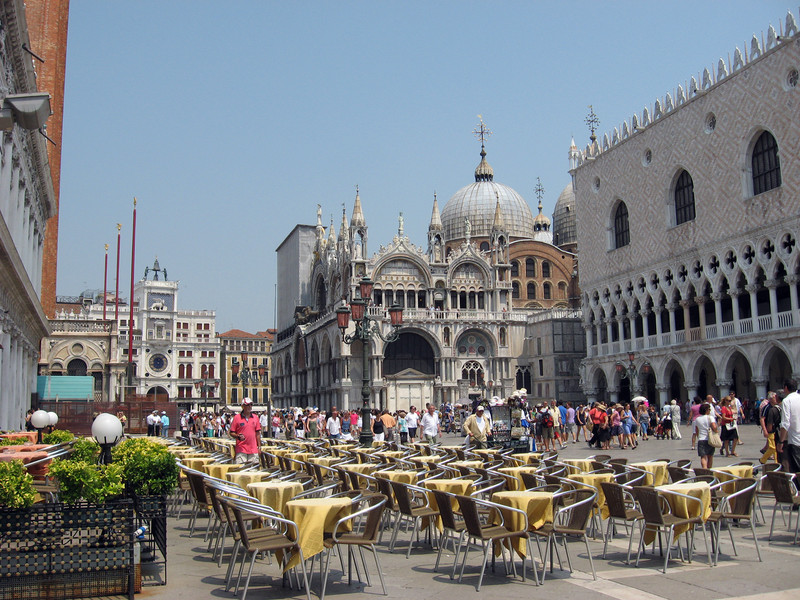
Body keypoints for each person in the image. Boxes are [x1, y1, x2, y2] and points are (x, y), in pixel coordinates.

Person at [778, 378, 800, 473]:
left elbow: (785, 423)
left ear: (786, 388)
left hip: (795, 441)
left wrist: (781, 441)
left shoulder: (787, 401)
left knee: (796, 471)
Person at [230, 398, 261, 465]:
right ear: (243, 406)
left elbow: (258, 433)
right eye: (248, 405)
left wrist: (259, 447)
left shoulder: (255, 417)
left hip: (253, 449)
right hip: (241, 449)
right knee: (241, 470)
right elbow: (231, 432)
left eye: (251, 405)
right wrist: (237, 436)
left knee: (253, 471)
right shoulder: (237, 418)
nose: (250, 406)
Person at [694, 402, 718, 468]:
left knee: (703, 457)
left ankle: (704, 470)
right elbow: (714, 426)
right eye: (709, 409)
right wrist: (716, 431)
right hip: (709, 439)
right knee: (710, 456)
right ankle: (709, 470)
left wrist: (699, 436)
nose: (710, 411)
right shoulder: (710, 418)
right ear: (706, 410)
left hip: (701, 439)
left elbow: (697, 430)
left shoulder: (697, 419)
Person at [759, 391, 781, 465]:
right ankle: (763, 460)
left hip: (776, 429)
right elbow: (762, 419)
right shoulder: (767, 407)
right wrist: (765, 430)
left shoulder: (776, 406)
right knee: (772, 447)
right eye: (775, 397)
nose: (776, 399)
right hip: (770, 430)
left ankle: (774, 462)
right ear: (771, 399)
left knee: (774, 446)